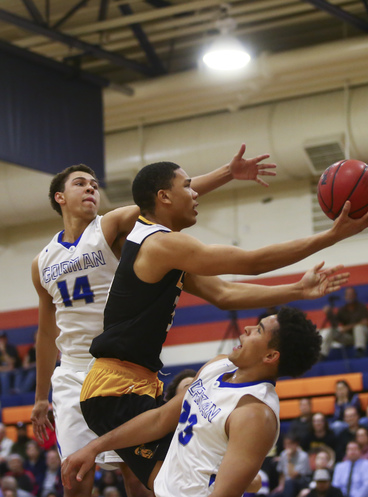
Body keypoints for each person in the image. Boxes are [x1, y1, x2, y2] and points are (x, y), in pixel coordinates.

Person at [31, 148, 278, 497]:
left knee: (138, 474)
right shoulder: (41, 262)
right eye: (80, 184)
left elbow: (165, 198)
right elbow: (45, 332)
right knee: (76, 474)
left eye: (94, 184)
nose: (91, 189)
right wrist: (42, 396)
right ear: (60, 197)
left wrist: (227, 173)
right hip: (72, 371)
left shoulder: (109, 227)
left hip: (120, 364)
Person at [61, 308, 324, 497]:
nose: (247, 328)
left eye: (259, 330)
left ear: (270, 355)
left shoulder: (255, 413)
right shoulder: (217, 365)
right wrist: (94, 447)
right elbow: (160, 419)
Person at [320, 288, 368, 358]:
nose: (349, 296)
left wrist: (348, 327)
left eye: (351, 294)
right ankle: (322, 354)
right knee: (331, 331)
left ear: (355, 296)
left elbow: (366, 323)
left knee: (358, 328)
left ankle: (360, 351)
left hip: (364, 337)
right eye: (347, 295)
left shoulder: (362, 307)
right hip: (350, 338)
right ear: (344, 297)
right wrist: (329, 314)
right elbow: (335, 325)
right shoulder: (342, 310)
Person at [0, 331, 21, 395]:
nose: (2, 340)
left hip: (13, 371)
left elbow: (12, 364)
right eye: (0, 339)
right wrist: (7, 368)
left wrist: (3, 351)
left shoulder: (11, 348)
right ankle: (6, 398)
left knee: (18, 372)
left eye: (3, 338)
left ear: (6, 339)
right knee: (4, 375)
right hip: (3, 372)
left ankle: (17, 393)